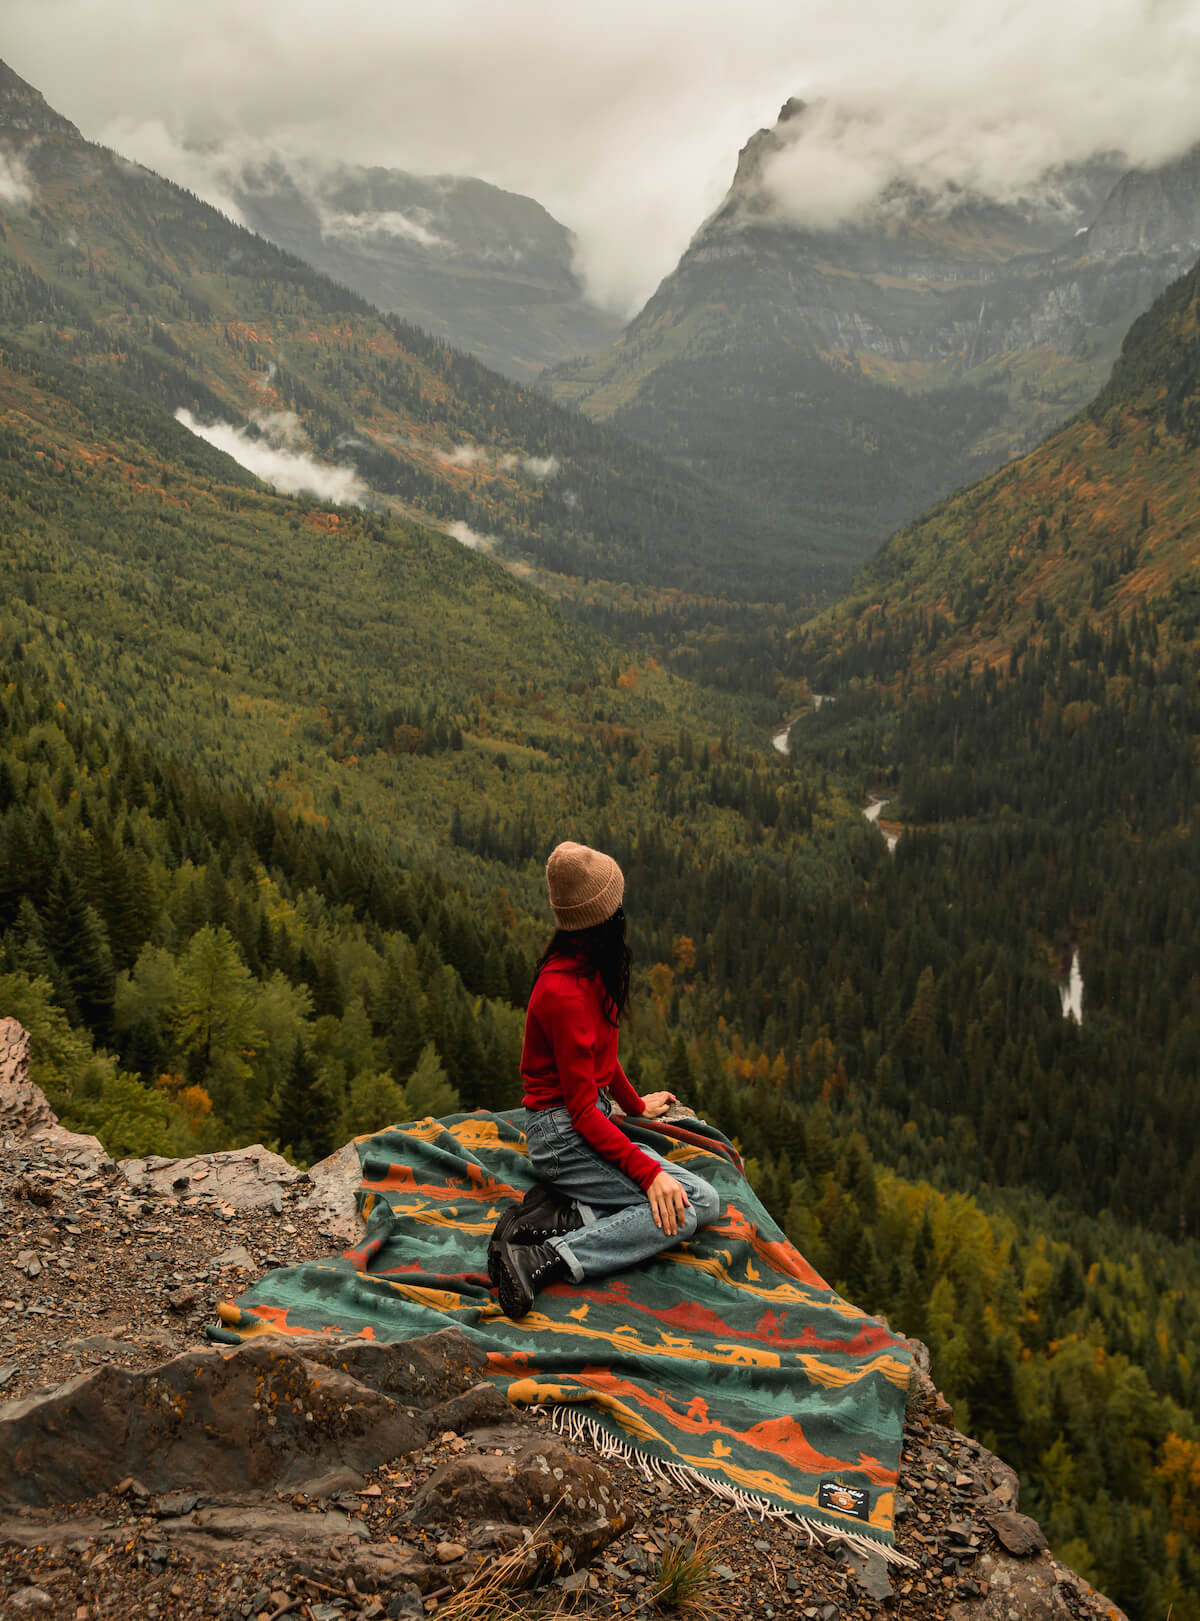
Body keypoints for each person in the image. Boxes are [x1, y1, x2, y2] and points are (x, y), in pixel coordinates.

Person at [490, 840, 721, 1319]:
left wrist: (634, 1107)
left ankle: (564, 1215)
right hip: (562, 1136)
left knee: (701, 1202)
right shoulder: (565, 993)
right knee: (689, 1207)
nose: (622, 910)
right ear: (599, 918)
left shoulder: (589, 969)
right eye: (615, 903)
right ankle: (547, 1256)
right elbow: (580, 1113)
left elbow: (602, 1056)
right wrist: (649, 1171)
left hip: (583, 1120)